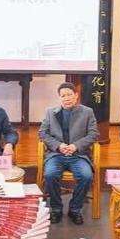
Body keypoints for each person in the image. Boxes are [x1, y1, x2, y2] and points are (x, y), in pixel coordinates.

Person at [39, 82, 99, 225]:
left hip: (78, 155)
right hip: (56, 154)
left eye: (69, 95)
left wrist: (76, 146)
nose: (66, 98)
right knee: (50, 174)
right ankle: (56, 209)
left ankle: (75, 209)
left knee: (86, 176)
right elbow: (42, 133)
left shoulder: (87, 112)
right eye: (63, 96)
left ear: (76, 96)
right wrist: (58, 146)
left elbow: (93, 134)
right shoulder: (50, 112)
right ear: (59, 98)